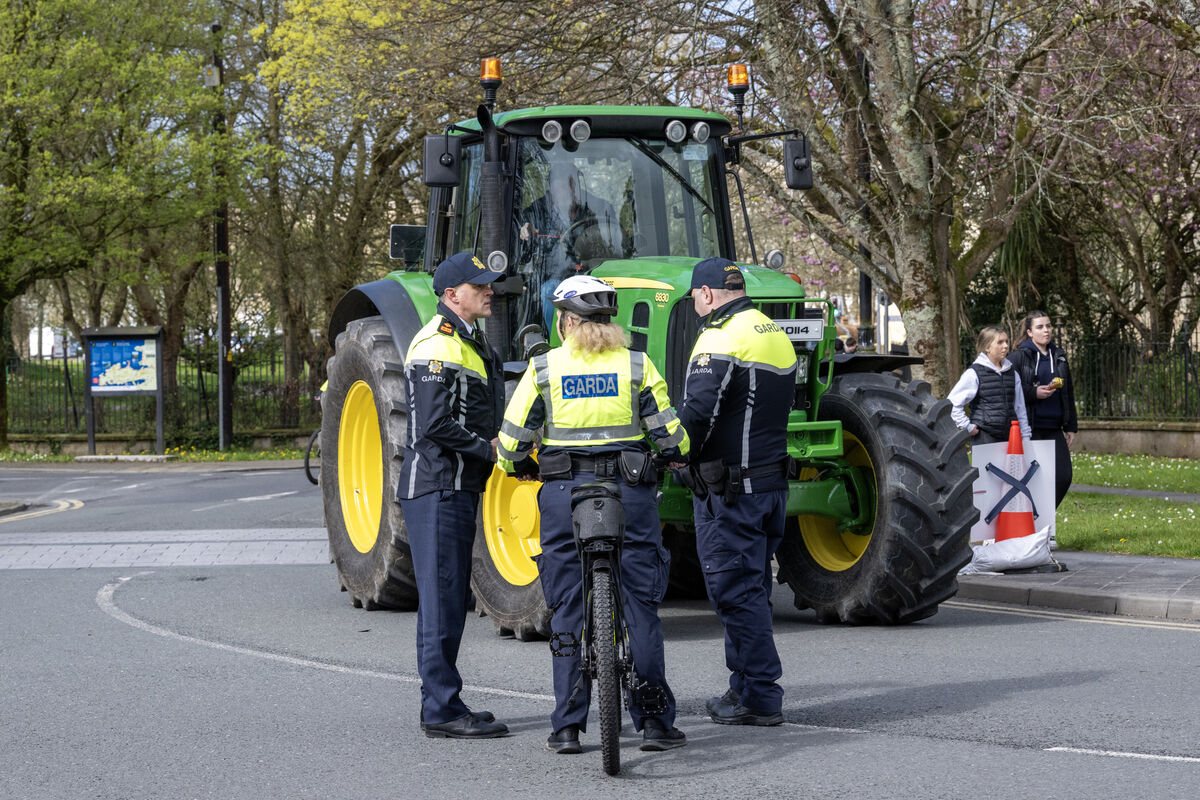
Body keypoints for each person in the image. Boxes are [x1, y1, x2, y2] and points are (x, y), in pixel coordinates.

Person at [496, 274, 690, 755]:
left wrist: (518, 465)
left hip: (564, 494)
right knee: (640, 606)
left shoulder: (544, 367)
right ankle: (655, 724)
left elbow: (511, 442)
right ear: (610, 323)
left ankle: (567, 726)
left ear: (565, 321)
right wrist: (674, 454)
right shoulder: (637, 365)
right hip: (630, 492)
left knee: (567, 608)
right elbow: (672, 436)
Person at [678, 257, 797, 727]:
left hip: (733, 490)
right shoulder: (771, 330)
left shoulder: (719, 338)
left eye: (694, 298)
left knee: (735, 592)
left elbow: (699, 416)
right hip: (770, 487)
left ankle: (761, 695)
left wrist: (672, 454)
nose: (694, 306)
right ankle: (743, 686)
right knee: (752, 587)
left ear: (707, 295)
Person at [397, 251, 509, 739]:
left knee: (447, 597)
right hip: (438, 486)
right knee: (442, 601)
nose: (489, 290)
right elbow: (434, 424)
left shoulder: (467, 339)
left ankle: (446, 700)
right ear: (451, 295)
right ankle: (440, 709)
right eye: (478, 285)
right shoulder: (436, 344)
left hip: (454, 486)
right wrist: (488, 449)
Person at [1008, 310, 1078, 507]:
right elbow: (1011, 391)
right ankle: (1038, 526)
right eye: (1040, 327)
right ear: (1029, 332)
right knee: (1035, 480)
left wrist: (1071, 426)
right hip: (1031, 428)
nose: (1046, 330)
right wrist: (1034, 393)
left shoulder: (1060, 357)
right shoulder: (1018, 358)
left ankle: (1044, 520)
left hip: (1054, 427)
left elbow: (1068, 392)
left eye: (1048, 326)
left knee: (1063, 477)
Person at [948, 325, 1032, 445]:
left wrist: (1025, 436)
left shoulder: (1012, 373)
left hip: (1011, 437)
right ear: (987, 347)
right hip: (984, 437)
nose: (1006, 346)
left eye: (1006, 341)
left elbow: (1020, 407)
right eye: (1000, 342)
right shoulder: (974, 373)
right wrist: (967, 427)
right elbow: (952, 404)